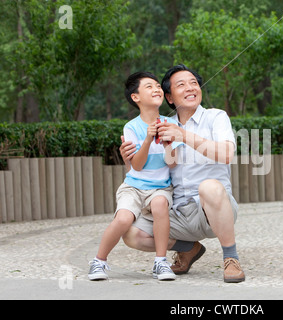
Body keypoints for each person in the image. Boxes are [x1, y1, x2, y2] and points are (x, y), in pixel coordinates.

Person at [120, 65, 245, 283]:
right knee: (131, 234)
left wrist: (183, 135)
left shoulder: (216, 117)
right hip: (176, 214)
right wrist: (128, 161)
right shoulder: (161, 126)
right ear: (169, 97)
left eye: (194, 83)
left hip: (212, 210)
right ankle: (189, 248)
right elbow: (146, 173)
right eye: (181, 85)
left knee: (209, 187)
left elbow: (227, 154)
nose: (190, 88)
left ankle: (231, 258)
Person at [88, 71, 183, 281]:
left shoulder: (170, 123)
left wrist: (167, 144)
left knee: (160, 205)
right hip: (134, 186)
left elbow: (173, 162)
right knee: (123, 219)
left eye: (158, 86)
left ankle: (160, 262)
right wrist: (148, 140)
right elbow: (137, 166)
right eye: (149, 86)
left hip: (160, 187)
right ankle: (99, 261)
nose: (157, 89)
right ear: (135, 97)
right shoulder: (131, 127)